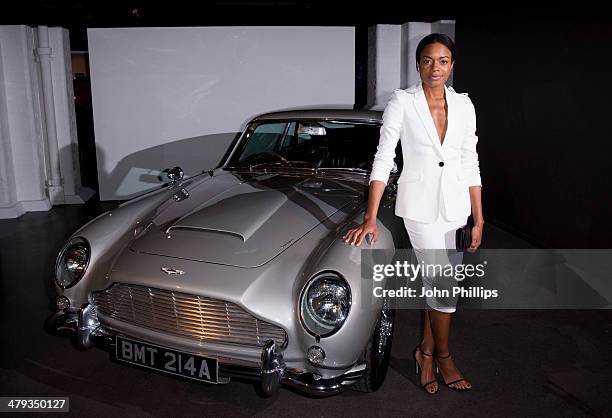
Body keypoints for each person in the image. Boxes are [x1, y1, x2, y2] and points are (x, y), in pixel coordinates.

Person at [343, 33, 484, 394]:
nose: (434, 68)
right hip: (419, 208)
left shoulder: (465, 105)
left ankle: (424, 352)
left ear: (452, 65)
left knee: (438, 285)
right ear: (418, 64)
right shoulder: (402, 103)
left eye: (443, 61)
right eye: (427, 60)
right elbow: (384, 157)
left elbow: (470, 160)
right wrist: (370, 217)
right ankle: (445, 356)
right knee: (443, 284)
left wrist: (478, 217)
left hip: (456, 209)